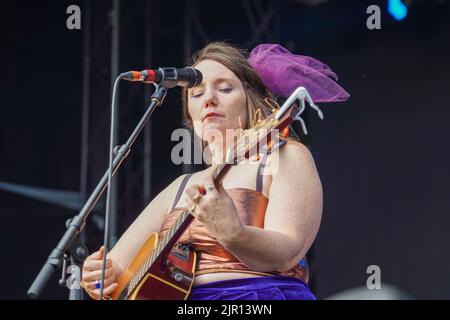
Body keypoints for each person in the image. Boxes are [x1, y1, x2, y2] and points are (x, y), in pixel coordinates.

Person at [81, 41, 349, 300]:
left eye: (224, 89)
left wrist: (235, 233)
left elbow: (288, 252)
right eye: (196, 94)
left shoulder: (284, 155)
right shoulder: (180, 186)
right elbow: (116, 268)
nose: (208, 98)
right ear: (190, 114)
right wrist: (100, 275)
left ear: (251, 101)